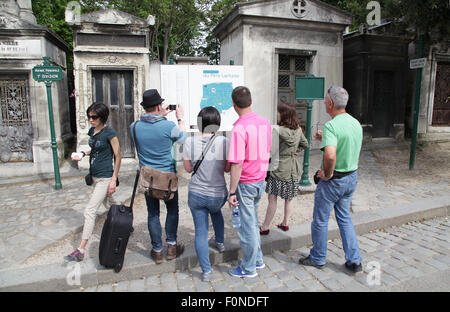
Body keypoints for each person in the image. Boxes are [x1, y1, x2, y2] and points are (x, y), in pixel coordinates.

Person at [299, 86, 363, 274]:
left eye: (326, 101)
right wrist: (324, 138)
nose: (325, 103)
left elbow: (331, 155)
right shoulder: (355, 123)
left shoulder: (331, 126)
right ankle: (354, 260)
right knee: (344, 218)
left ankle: (318, 257)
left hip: (334, 181)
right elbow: (347, 143)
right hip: (351, 177)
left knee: (320, 220)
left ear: (331, 103)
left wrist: (326, 173)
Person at [130, 89, 186, 264]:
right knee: (172, 210)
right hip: (168, 178)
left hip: (148, 179)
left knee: (152, 213)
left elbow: (149, 132)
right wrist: (179, 119)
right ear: (158, 105)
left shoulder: (135, 127)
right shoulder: (169, 127)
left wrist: (158, 115)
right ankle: (171, 247)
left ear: (145, 107)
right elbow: (182, 139)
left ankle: (157, 250)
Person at [64, 103, 122, 262]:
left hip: (105, 177)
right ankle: (125, 223)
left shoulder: (110, 133)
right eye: (89, 116)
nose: (90, 120)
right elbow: (95, 147)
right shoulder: (93, 131)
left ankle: (81, 250)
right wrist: (82, 153)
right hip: (95, 176)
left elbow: (118, 156)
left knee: (90, 210)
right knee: (110, 205)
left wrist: (113, 180)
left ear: (102, 117)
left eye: (94, 117)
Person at [227, 86, 272, 278]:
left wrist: (231, 192)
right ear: (251, 101)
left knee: (247, 227)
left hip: (245, 183)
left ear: (234, 104)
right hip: (260, 179)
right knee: (252, 222)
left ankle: (248, 268)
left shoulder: (239, 128)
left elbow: (236, 164)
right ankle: (258, 260)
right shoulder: (264, 122)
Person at [183, 106, 231, 282]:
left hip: (196, 194)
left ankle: (206, 272)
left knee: (200, 233)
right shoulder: (224, 142)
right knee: (216, 212)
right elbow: (227, 169)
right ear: (217, 124)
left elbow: (188, 169)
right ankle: (220, 243)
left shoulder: (189, 142)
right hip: (218, 194)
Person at [260, 102, 308, 235]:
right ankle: (285, 223)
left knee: (272, 198)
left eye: (278, 112)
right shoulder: (298, 129)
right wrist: (295, 150)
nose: (276, 114)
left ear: (283, 114)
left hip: (278, 168)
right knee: (289, 198)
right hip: (292, 169)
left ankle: (265, 227)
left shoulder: (277, 130)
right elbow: (305, 143)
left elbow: (268, 148)